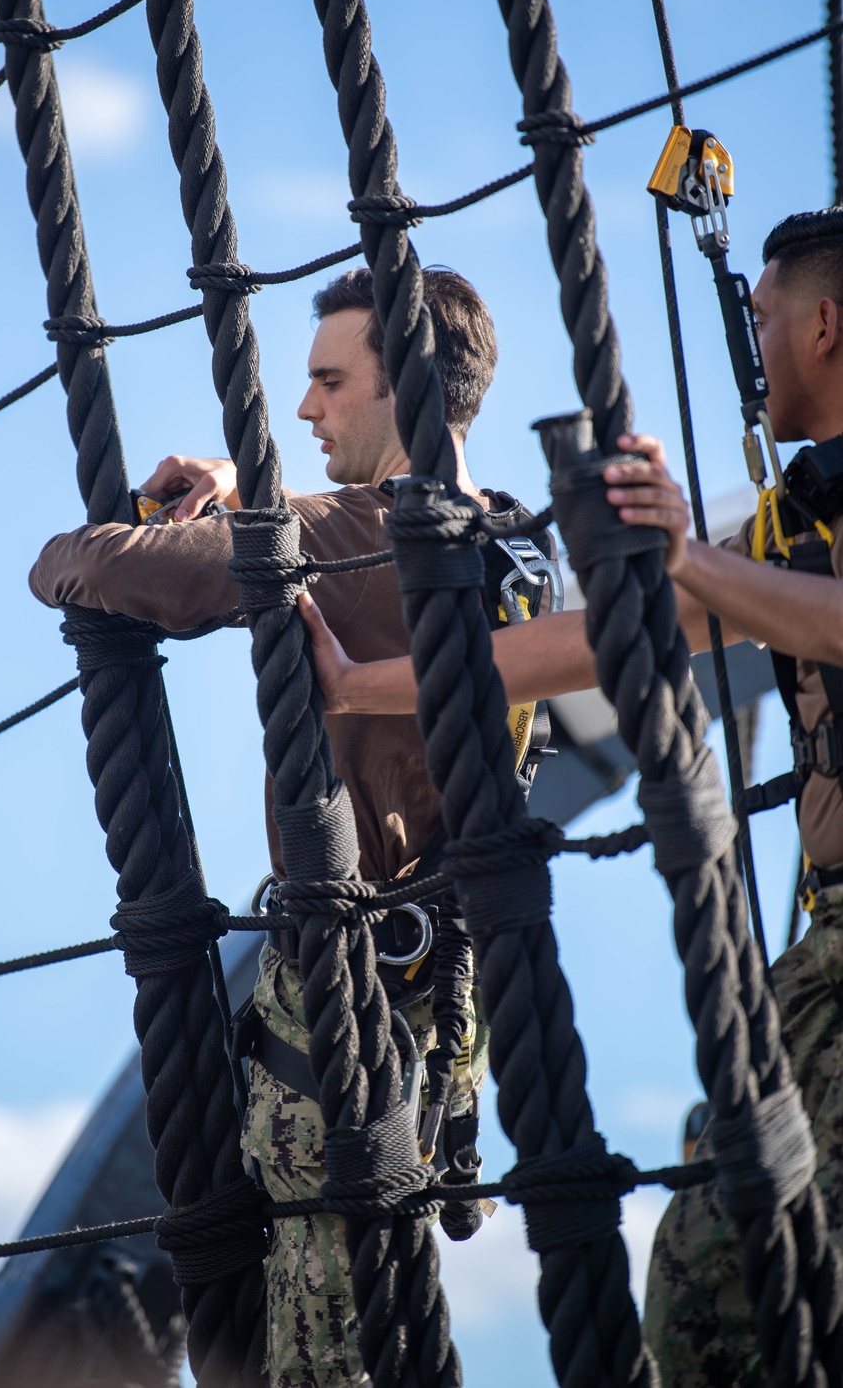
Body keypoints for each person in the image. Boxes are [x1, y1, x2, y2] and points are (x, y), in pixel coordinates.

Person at [302, 210, 843, 1387]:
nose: (749, 350)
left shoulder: (763, 547)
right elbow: (579, 647)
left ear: (823, 324)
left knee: (742, 1273)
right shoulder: (793, 528)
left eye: (758, 320)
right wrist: (362, 685)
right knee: (719, 1280)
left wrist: (685, 556)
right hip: (832, 950)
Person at [29, 266, 555, 1388]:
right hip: (442, 1017)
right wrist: (247, 490)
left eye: (327, 381)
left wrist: (116, 531)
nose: (304, 410)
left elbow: (114, 572)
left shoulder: (350, 535)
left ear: (402, 389)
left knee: (312, 1357)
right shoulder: (515, 551)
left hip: (332, 1013)